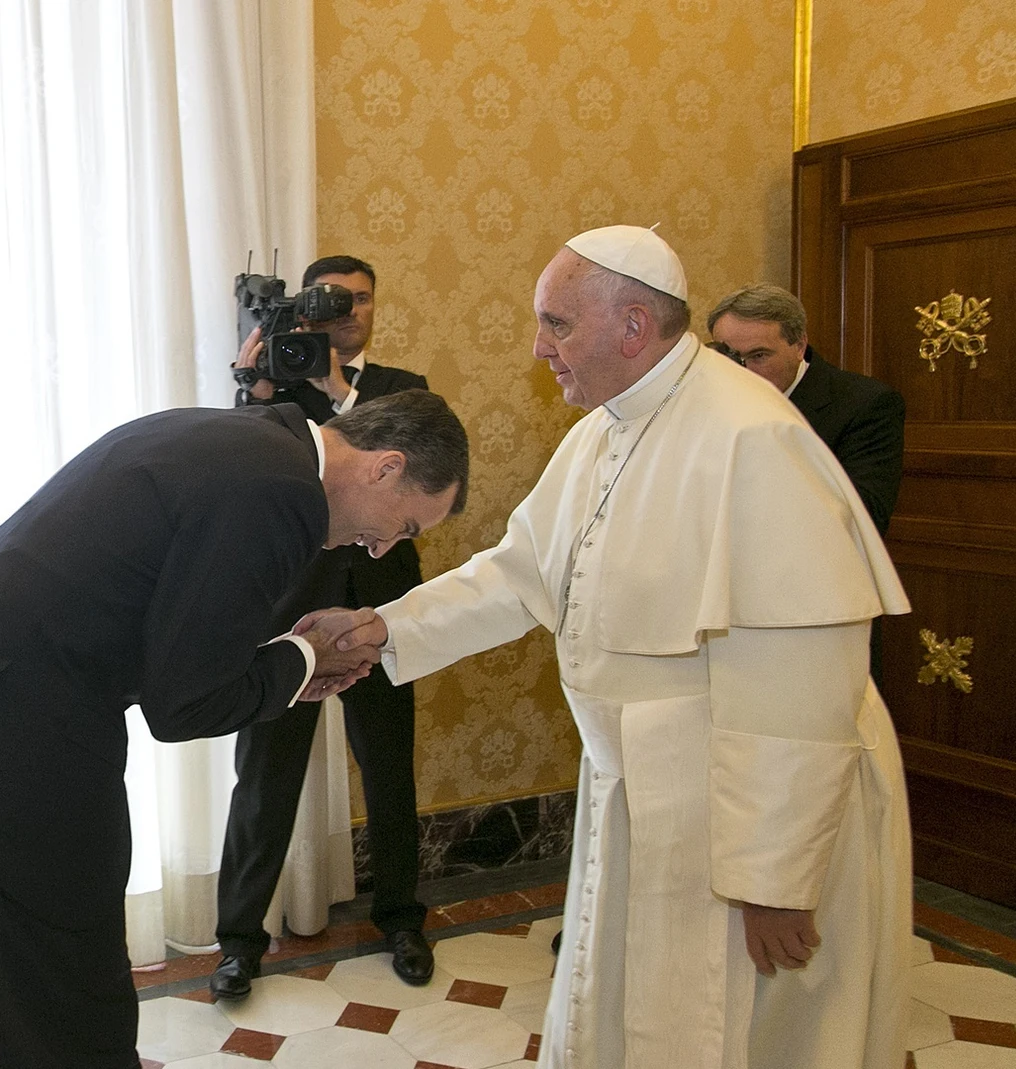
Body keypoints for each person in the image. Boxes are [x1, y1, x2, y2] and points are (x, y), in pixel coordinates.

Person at [308, 226, 913, 1068]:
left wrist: (779, 879)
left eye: (555, 323)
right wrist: (384, 628)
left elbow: (805, 678)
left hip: (741, 816)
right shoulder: (601, 430)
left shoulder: (752, 437)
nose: (537, 347)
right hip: (644, 787)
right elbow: (520, 576)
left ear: (633, 326)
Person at [0, 391, 469, 1067]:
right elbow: (186, 704)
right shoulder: (282, 492)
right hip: (19, 729)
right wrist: (305, 660)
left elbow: (172, 623)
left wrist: (290, 664)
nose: (382, 549)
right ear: (385, 467)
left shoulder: (261, 442)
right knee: (69, 985)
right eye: (405, 526)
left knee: (40, 981)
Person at [213, 255, 434, 1000]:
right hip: (288, 615)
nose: (348, 313)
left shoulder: (406, 389)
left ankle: (402, 920)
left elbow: (403, 467)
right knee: (264, 783)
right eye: (334, 302)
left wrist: (338, 389)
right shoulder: (281, 384)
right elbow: (238, 472)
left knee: (390, 773)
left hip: (381, 611)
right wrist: (258, 385)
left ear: (376, 306)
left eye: (361, 300)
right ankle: (239, 942)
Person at [706, 283, 905, 535]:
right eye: (730, 357)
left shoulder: (866, 404)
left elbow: (865, 516)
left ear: (799, 346)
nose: (743, 371)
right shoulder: (707, 401)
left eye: (759, 356)